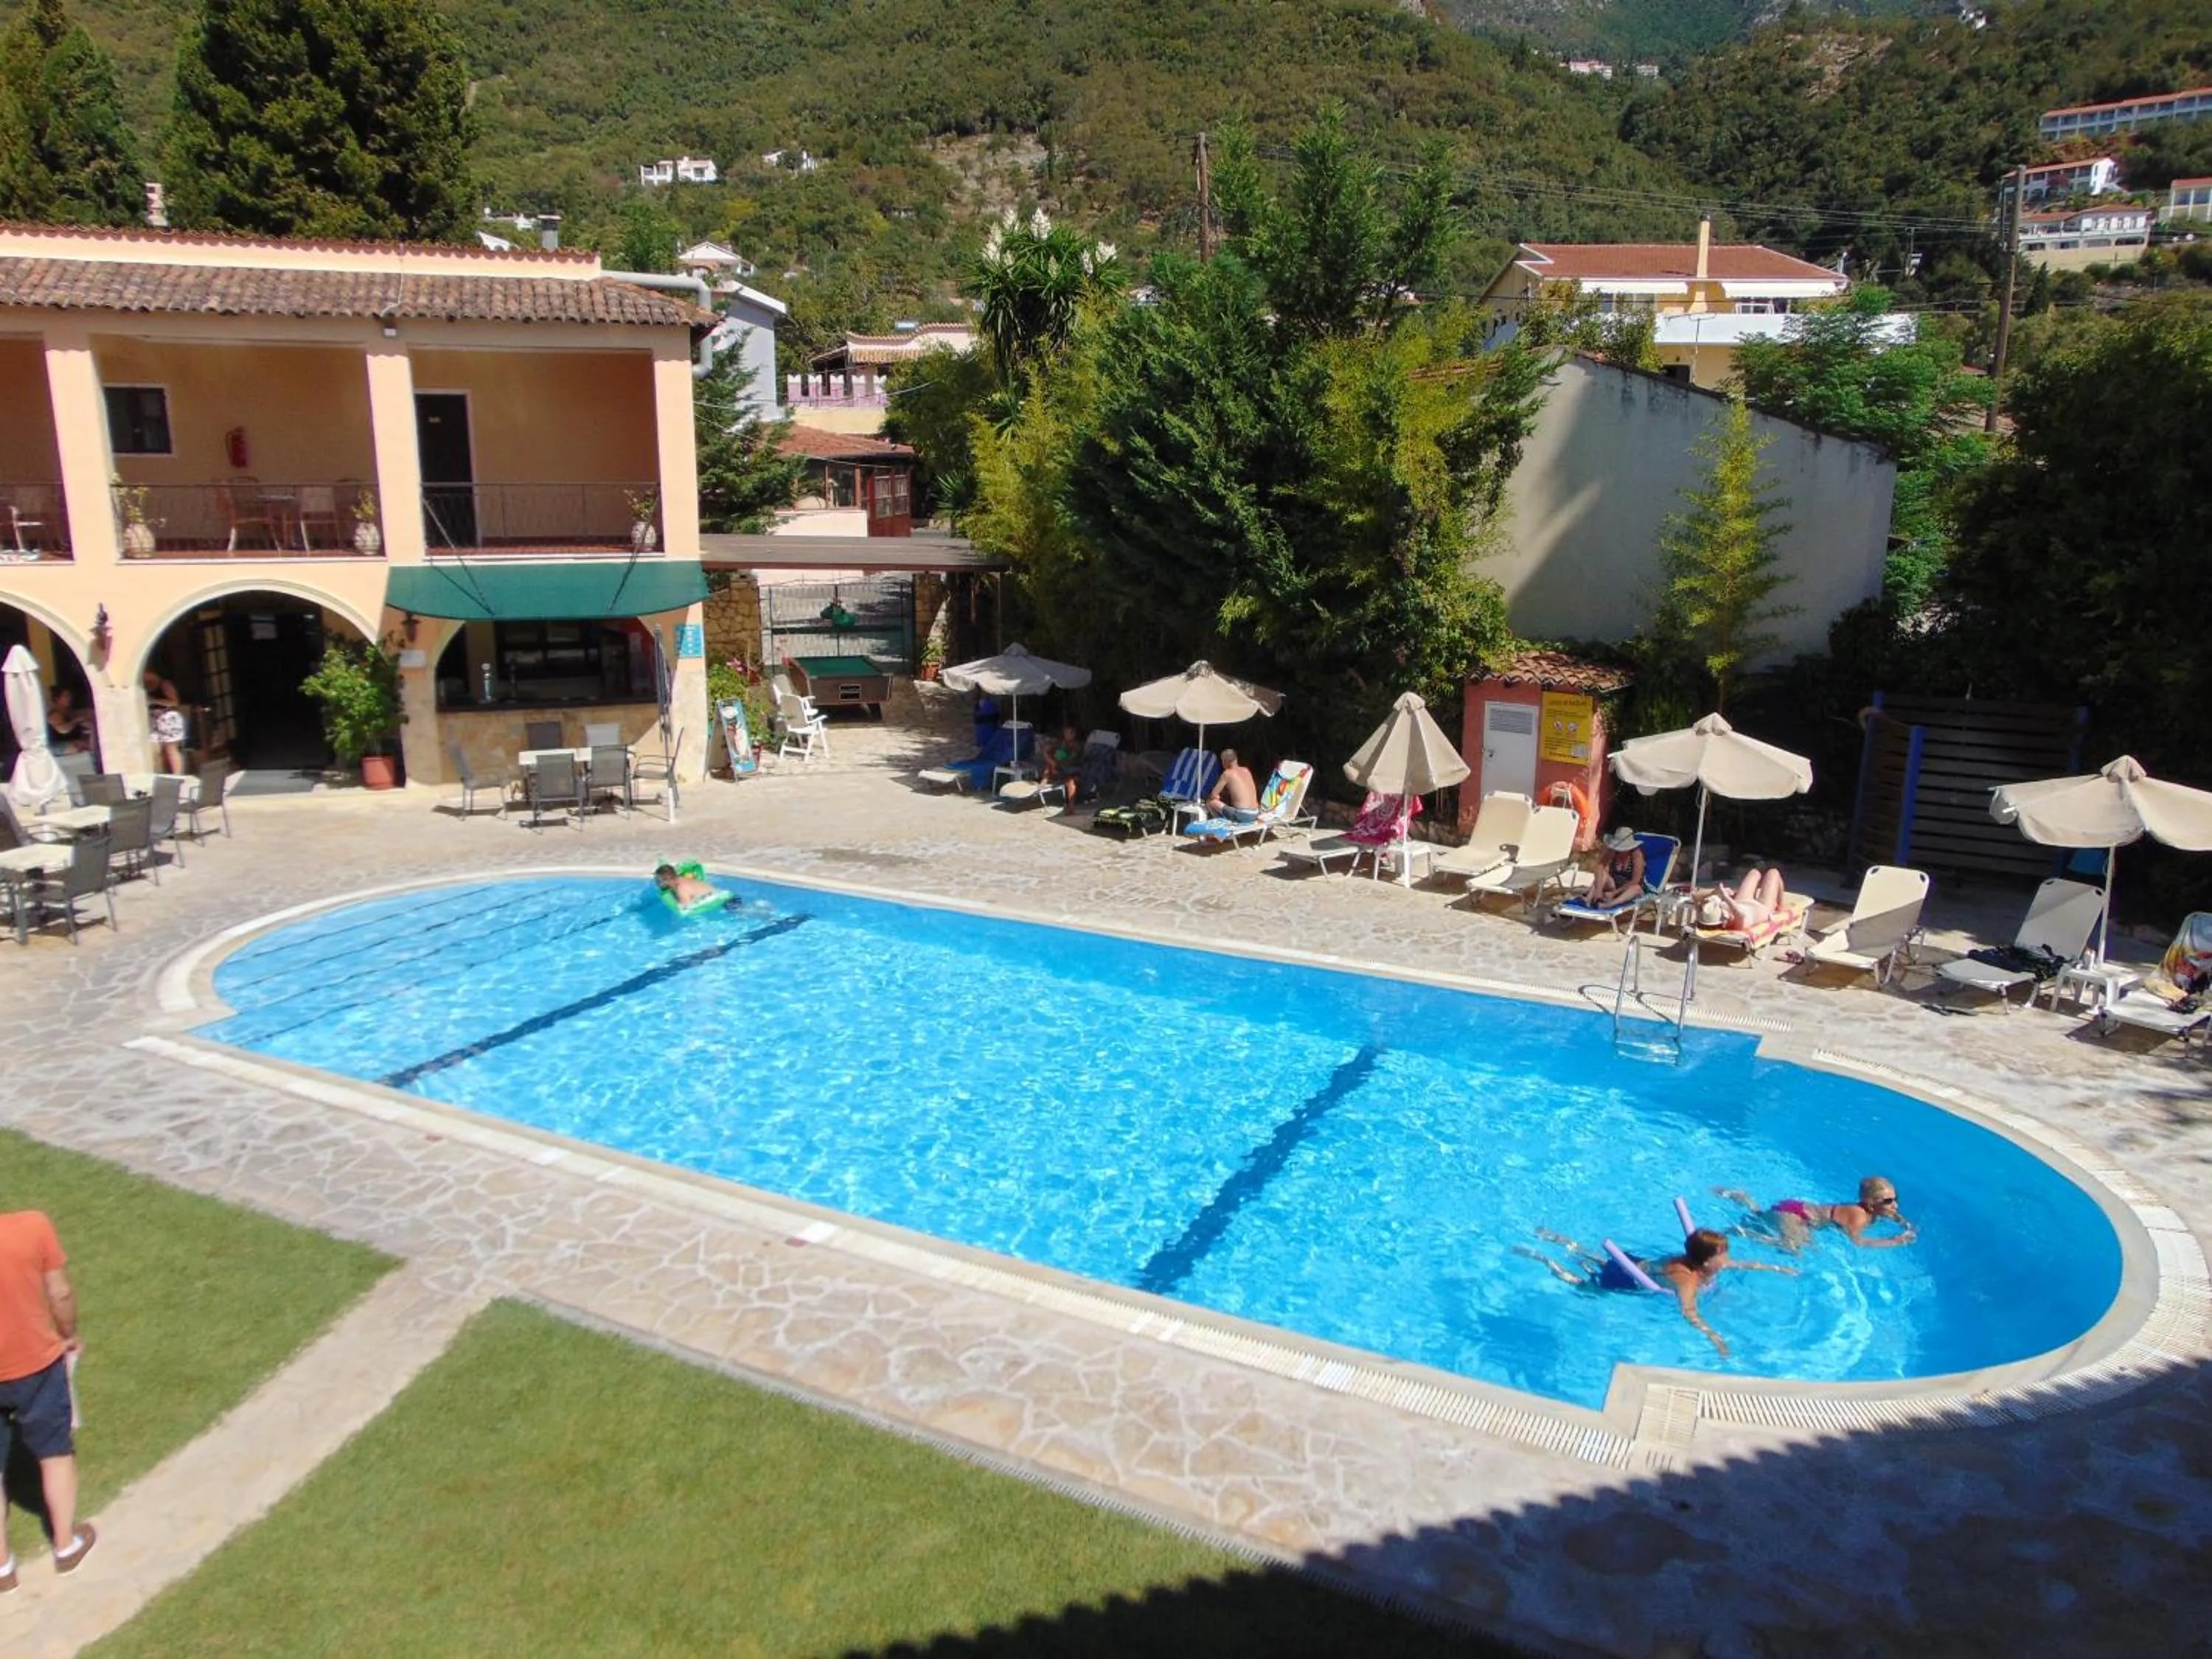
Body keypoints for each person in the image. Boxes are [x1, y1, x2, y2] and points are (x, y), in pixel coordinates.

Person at [1522, 1225, 1796, 1359]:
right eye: (1723, 1255)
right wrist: (1714, 1337)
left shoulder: (1707, 1263)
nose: (1728, 1259)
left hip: (1635, 1262)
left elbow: (1742, 1263)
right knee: (1584, 1286)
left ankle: (1561, 1240)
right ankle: (1545, 1260)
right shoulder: (1685, 1280)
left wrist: (1777, 1268)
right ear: (1706, 1261)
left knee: (1597, 1258)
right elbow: (1689, 1312)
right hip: (1626, 1277)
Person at [0, 1208, 94, 1590]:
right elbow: (60, 1292)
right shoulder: (33, 1226)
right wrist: (68, 1332)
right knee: (55, 1452)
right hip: (37, 1365)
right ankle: (65, 1545)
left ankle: (2, 1568)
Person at [1717, 1177, 1916, 1253]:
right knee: (1796, 1251)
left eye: (1895, 1199)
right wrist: (1895, 1241)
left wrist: (1905, 1224)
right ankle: (1745, 1233)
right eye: (1888, 1202)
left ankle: (1743, 1198)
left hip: (1796, 1208)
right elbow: (1859, 1243)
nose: (1895, 1205)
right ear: (1870, 1205)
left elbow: (1894, 1215)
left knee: (1761, 1216)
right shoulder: (1859, 1217)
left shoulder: (1874, 1210)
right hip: (1795, 1217)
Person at [1698, 867, 1786, 931]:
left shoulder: (1711, 914)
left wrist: (1714, 892)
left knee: (1754, 872)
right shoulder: (1739, 924)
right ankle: (1781, 906)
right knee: (1773, 873)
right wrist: (1725, 896)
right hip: (1763, 907)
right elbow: (1739, 912)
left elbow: (1694, 895)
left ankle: (1762, 866)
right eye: (1725, 917)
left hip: (1742, 901)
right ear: (1724, 923)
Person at [1585, 827, 1646, 907]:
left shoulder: (1637, 855)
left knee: (1636, 888)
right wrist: (1599, 891)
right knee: (1602, 874)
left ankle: (1610, 904)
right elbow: (1599, 867)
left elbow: (1635, 881)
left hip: (1628, 889)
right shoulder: (1613, 851)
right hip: (1614, 885)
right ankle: (1590, 899)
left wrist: (1614, 893)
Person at [142, 668, 186, 776]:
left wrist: (154, 701)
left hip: (168, 717)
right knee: (154, 748)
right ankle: (159, 773)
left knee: (171, 748)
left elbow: (174, 702)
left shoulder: (164, 684)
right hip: (153, 717)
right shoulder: (142, 685)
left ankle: (178, 775)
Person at [1206, 748, 1259, 822]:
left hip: (1243, 815)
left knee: (1211, 802)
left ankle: (1221, 825)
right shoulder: (1246, 770)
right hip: (1255, 813)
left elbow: (1213, 795)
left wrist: (1215, 796)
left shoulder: (1227, 774)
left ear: (1224, 762)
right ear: (1236, 759)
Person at [1040, 725, 1085, 802]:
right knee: (1048, 757)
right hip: (1057, 766)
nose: (1066, 735)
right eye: (1065, 733)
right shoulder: (1062, 743)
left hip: (1071, 768)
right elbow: (1051, 750)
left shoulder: (1076, 745)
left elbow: (1072, 759)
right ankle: (1044, 782)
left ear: (1074, 734)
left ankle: (1044, 782)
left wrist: (1056, 762)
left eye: (1069, 733)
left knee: (1069, 781)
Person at [653, 864, 723, 909]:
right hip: (720, 895)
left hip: (721, 903)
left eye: (658, 880)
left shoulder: (681, 888)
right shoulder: (682, 879)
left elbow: (687, 909)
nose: (657, 882)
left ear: (666, 880)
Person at [46, 686, 91, 755]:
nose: (69, 699)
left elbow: (83, 717)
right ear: (57, 699)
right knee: (79, 747)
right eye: (66, 696)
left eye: (70, 696)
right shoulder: (54, 714)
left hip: (71, 741)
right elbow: (63, 730)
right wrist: (76, 721)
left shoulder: (68, 712)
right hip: (56, 746)